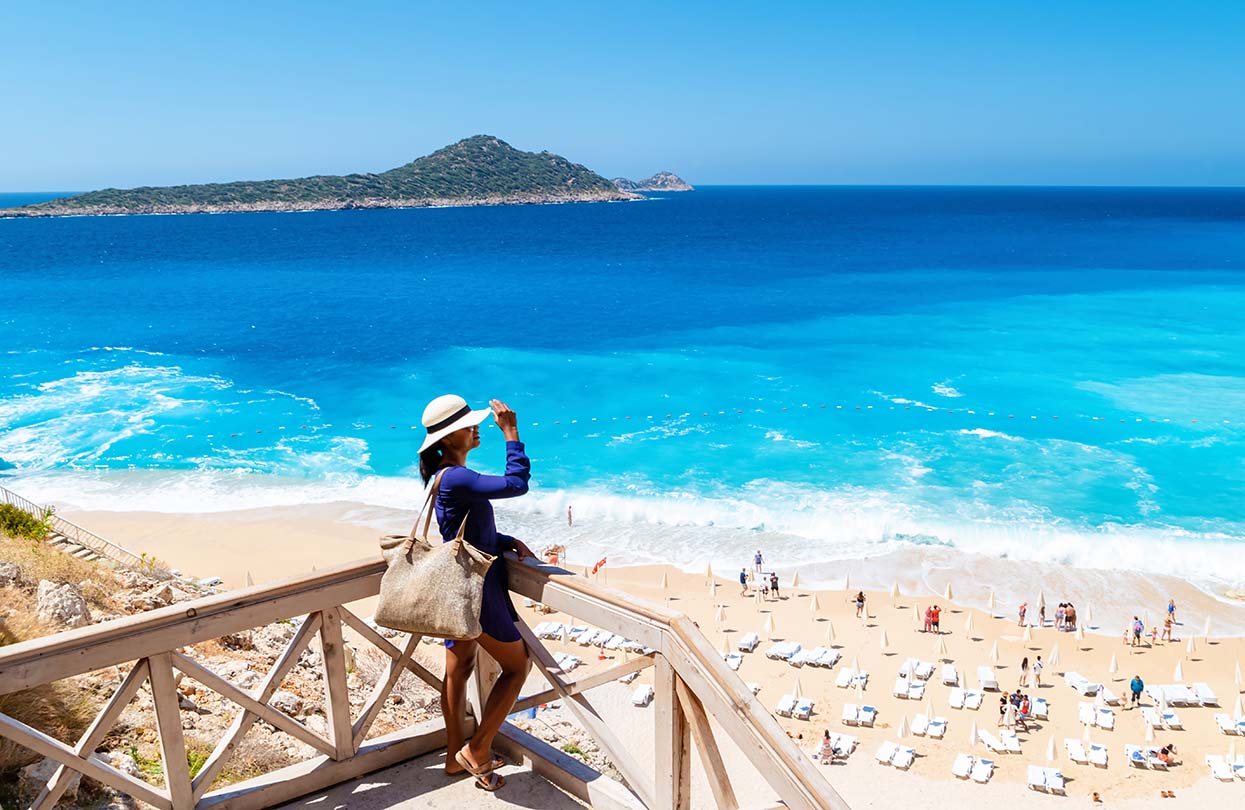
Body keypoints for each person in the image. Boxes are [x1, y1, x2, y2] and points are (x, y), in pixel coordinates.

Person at [419, 395, 534, 791]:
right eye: (470, 426)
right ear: (450, 438)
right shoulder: (455, 477)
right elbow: (516, 484)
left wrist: (505, 538)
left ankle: (454, 758)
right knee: (518, 668)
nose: (477, 428)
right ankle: (478, 749)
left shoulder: (444, 478)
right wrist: (512, 434)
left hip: (458, 588)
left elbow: (461, 530)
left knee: (459, 670)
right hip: (478, 594)